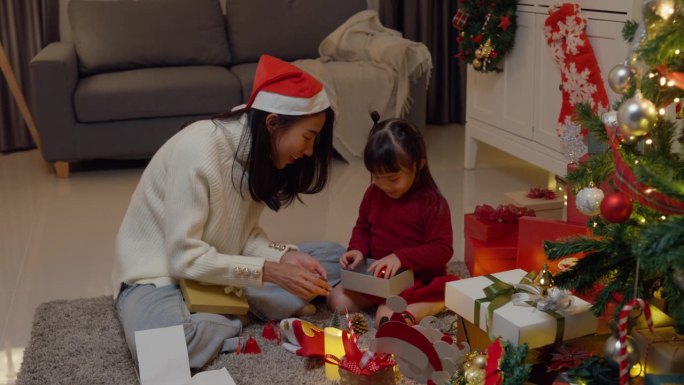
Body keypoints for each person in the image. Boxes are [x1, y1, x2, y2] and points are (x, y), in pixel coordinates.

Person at [112, 54, 344, 369]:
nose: (308, 151)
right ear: (273, 122)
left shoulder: (259, 151)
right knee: (162, 352)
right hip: (160, 274)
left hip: (216, 266)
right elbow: (183, 258)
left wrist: (283, 256)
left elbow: (242, 237)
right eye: (308, 137)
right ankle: (239, 315)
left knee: (333, 257)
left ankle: (232, 306)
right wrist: (270, 271)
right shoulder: (199, 149)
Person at [326, 112, 458, 327]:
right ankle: (386, 301)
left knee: (387, 319)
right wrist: (357, 249)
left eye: (393, 178)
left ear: (419, 164)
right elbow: (363, 228)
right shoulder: (373, 194)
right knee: (336, 301)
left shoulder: (432, 203)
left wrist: (401, 258)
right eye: (376, 177)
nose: (385, 185)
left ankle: (436, 301)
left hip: (415, 280)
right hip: (378, 279)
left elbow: (443, 250)